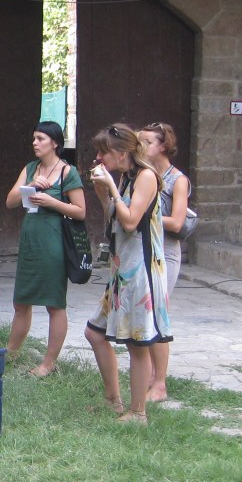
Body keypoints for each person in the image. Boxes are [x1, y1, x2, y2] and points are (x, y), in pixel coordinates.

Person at [83, 124, 171, 423]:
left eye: (103, 152)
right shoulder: (126, 178)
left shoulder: (146, 176)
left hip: (142, 271)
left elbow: (132, 221)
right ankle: (113, 401)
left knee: (137, 343)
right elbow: (115, 220)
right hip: (123, 270)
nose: (99, 157)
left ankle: (138, 412)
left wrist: (110, 187)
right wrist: (103, 192)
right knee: (94, 333)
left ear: (121, 153)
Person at [4, 120, 87, 376]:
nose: (35, 143)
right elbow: (10, 201)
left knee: (54, 303)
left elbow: (80, 211)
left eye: (40, 139)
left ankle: (48, 363)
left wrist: (52, 202)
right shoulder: (30, 168)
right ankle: (10, 355)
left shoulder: (68, 172)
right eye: (34, 138)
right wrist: (30, 187)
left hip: (54, 241)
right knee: (21, 301)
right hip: (30, 238)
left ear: (55, 143)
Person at [138, 121, 192, 403]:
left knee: (158, 313)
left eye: (147, 142)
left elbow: (178, 221)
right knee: (144, 313)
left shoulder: (177, 180)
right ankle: (148, 377)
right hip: (142, 248)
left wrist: (141, 214)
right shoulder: (142, 174)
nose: (142, 146)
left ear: (163, 146)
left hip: (166, 251)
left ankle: (160, 384)